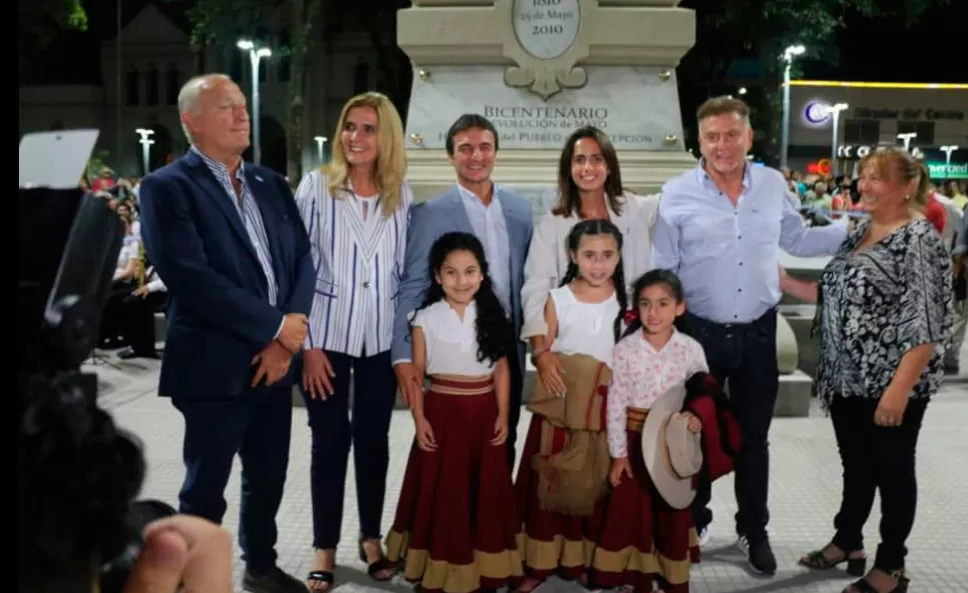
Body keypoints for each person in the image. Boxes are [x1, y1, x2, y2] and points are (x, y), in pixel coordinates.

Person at [652, 96, 849, 575]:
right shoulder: (676, 193)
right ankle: (693, 521)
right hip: (698, 335)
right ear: (699, 141)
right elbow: (663, 268)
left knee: (753, 440)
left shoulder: (771, 184)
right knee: (692, 434)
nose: (723, 146)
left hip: (759, 333)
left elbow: (797, 239)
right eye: (713, 137)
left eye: (732, 135)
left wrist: (853, 230)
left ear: (748, 137)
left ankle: (753, 529)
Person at [139, 73, 315, 593]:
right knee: (205, 486)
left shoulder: (271, 183)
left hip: (275, 362)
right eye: (225, 107)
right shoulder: (167, 187)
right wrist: (276, 327)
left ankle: (260, 565)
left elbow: (303, 260)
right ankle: (196, 579)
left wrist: (286, 338)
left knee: (268, 477)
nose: (241, 114)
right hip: (214, 363)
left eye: (241, 105)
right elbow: (189, 276)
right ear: (191, 121)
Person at [781, 148, 952, 593]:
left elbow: (929, 323)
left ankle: (892, 566)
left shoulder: (918, 239)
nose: (864, 185)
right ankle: (847, 541)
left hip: (889, 384)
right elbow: (835, 291)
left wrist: (898, 391)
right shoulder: (860, 230)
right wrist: (782, 282)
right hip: (844, 380)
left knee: (893, 470)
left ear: (908, 185)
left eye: (876, 177)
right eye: (862, 176)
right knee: (856, 467)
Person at [293, 91, 411, 591]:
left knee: (374, 441)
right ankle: (324, 546)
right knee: (329, 441)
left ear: (385, 138)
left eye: (367, 129)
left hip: (380, 339)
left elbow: (404, 274)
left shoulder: (400, 194)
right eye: (349, 127)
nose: (355, 138)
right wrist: (309, 345)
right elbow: (296, 266)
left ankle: (369, 538)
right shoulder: (317, 187)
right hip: (327, 338)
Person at [392, 113, 533, 468]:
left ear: (495, 152)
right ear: (450, 156)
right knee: (452, 447)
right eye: (465, 148)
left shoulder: (520, 210)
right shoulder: (430, 214)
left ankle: (496, 519)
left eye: (484, 147)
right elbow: (411, 285)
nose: (476, 156)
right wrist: (403, 354)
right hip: (452, 348)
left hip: (504, 347)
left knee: (504, 439)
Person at [385, 232, 523, 593]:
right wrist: (419, 419)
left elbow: (502, 370)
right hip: (442, 412)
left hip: (483, 411)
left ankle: (485, 565)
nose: (461, 281)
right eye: (451, 273)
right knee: (441, 487)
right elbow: (415, 375)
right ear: (437, 276)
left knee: (485, 489)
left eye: (469, 271)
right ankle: (435, 564)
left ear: (482, 275)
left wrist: (503, 416)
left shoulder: (494, 315)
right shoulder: (424, 318)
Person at [514, 219, 626, 592]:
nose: (598, 264)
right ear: (573, 256)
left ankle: (585, 561)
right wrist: (544, 358)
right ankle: (538, 563)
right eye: (589, 255)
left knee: (595, 484)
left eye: (607, 255)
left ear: (619, 256)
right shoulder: (557, 299)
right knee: (549, 483)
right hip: (559, 411)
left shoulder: (627, 303)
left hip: (605, 413)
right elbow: (543, 351)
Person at [590, 270, 718, 593]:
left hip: (671, 444)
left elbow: (704, 392)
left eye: (663, 303)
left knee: (670, 511)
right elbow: (615, 405)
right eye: (645, 304)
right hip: (635, 441)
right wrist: (618, 455)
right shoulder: (626, 349)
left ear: (679, 308)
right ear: (636, 308)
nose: (654, 312)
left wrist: (695, 416)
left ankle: (671, 575)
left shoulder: (690, 349)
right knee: (634, 510)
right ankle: (636, 579)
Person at [521, 127, 658, 394]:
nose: (588, 167)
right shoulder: (553, 223)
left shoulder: (634, 208)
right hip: (573, 348)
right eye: (579, 159)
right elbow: (536, 286)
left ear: (609, 165)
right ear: (568, 167)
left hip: (630, 346)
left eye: (597, 159)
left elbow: (680, 202)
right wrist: (540, 351)